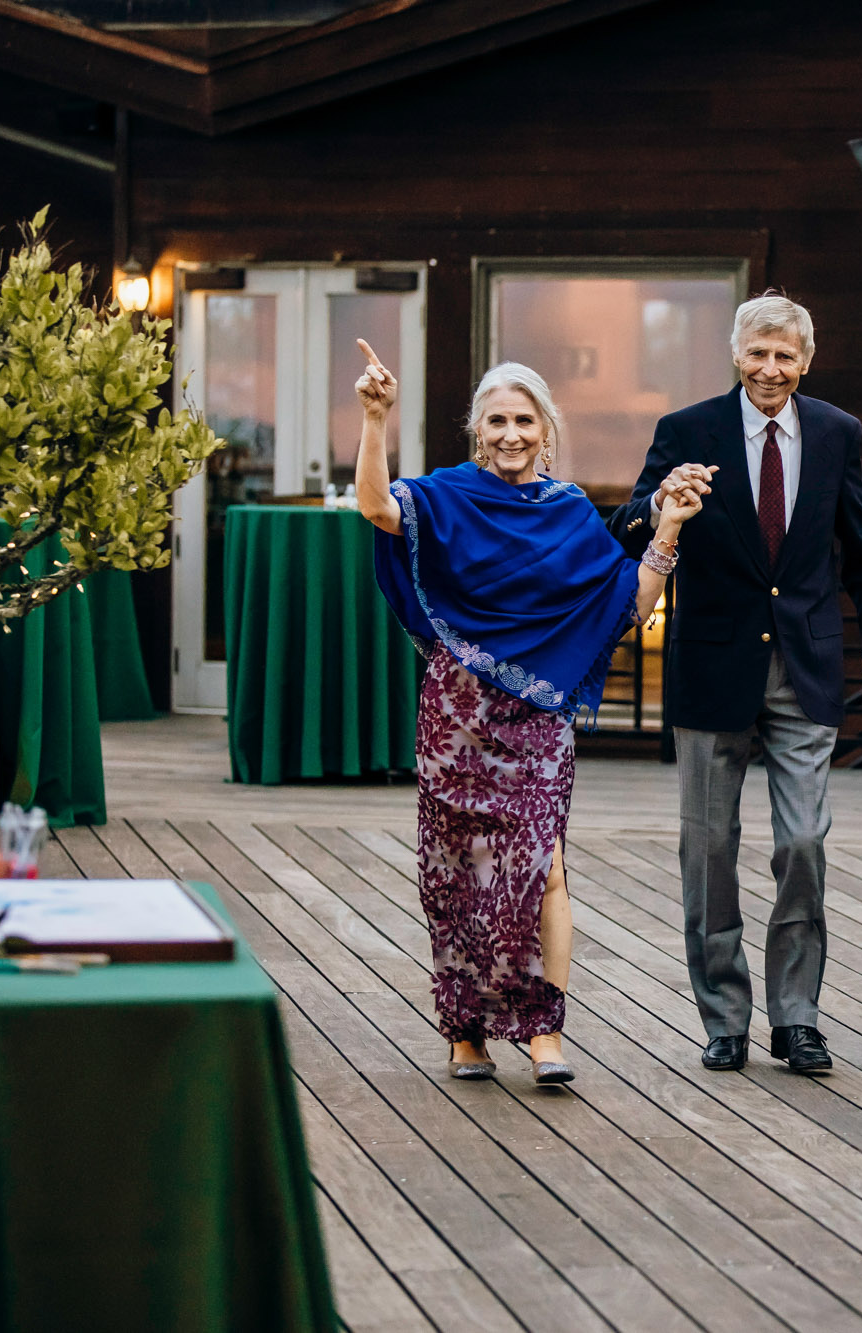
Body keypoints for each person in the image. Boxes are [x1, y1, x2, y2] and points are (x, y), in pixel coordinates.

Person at [354, 340, 702, 1086]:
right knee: (456, 872)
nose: (510, 434)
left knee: (543, 869)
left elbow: (626, 608)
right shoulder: (446, 494)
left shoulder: (572, 513)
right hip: (456, 714)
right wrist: (375, 418)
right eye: (496, 420)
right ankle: (467, 1032)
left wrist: (668, 526)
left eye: (524, 420)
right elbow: (377, 506)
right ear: (477, 429)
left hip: (537, 718)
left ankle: (544, 1030)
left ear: (547, 429)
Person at [606, 293, 862, 1074]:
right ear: (737, 354)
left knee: (803, 841)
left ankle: (796, 1016)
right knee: (708, 849)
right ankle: (725, 1017)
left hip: (805, 668)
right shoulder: (688, 430)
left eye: (785, 357)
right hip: (711, 665)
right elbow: (627, 525)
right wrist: (666, 502)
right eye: (758, 354)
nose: (771, 370)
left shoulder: (838, 433)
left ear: (806, 362)